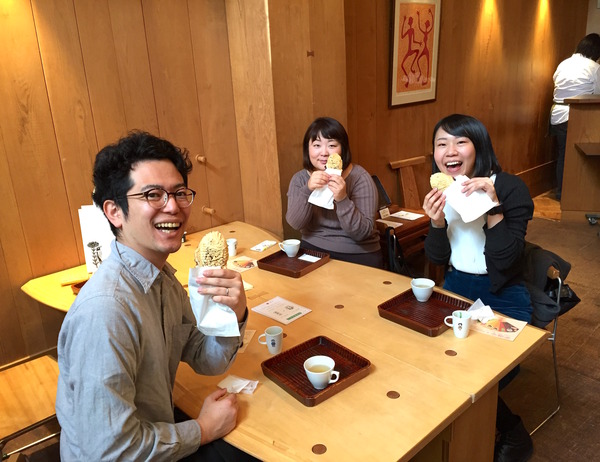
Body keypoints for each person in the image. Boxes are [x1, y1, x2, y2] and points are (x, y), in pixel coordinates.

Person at [55, 131, 258, 461]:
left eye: (179, 193)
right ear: (114, 212)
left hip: (156, 439)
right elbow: (109, 452)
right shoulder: (106, 311)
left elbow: (206, 358)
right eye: (153, 195)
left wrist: (232, 314)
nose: (173, 206)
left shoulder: (163, 280)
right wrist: (203, 429)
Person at [422, 114, 534, 462]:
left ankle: (513, 434)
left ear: (479, 146)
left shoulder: (510, 187)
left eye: (461, 142)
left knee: (482, 370)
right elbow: (437, 257)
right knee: (428, 360)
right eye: (441, 144)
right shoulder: (443, 190)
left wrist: (493, 206)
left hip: (503, 295)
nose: (450, 151)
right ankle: (447, 435)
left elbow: (508, 259)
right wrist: (436, 223)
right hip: (456, 289)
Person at [286, 116, 383, 269]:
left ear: (342, 149)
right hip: (313, 249)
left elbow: (362, 233)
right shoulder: (300, 179)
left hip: (357, 253)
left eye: (332, 145)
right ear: (307, 149)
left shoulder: (359, 178)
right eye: (317, 145)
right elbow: (295, 223)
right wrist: (307, 190)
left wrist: (342, 198)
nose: (324, 153)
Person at [549, 33, 600, 200]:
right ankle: (577, 194)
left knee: (563, 154)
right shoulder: (594, 67)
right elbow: (597, 95)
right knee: (581, 156)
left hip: (557, 115)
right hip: (581, 117)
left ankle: (561, 192)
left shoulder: (563, 64)